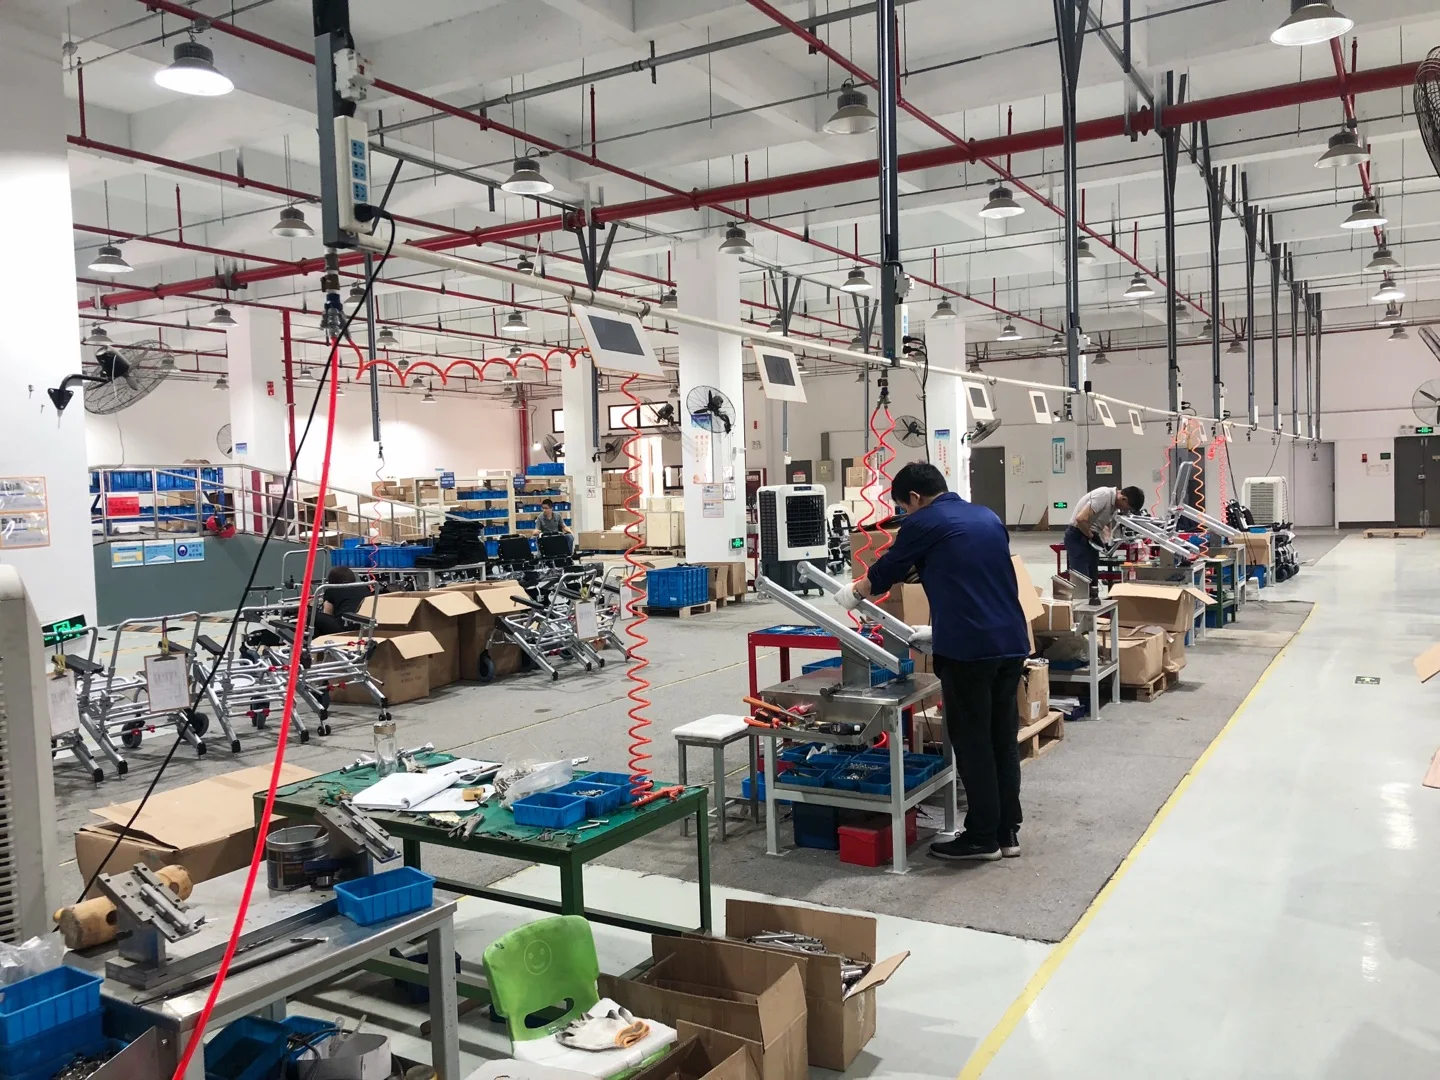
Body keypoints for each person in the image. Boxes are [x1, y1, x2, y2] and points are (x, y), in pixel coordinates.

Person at [836, 462, 1031, 862]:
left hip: (969, 651)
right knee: (1000, 737)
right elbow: (972, 576)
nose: (905, 514)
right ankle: (1007, 831)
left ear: (914, 498)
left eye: (903, 507)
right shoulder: (987, 516)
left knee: (973, 741)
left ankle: (981, 838)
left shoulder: (923, 522)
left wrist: (855, 592)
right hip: (1011, 642)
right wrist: (940, 630)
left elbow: (888, 569)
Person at [1065, 484, 1146, 583]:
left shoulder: (1114, 505)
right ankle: (1081, 593)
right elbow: (1081, 519)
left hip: (1088, 536)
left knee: (1093, 579)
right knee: (1082, 579)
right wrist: (1092, 536)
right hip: (1078, 536)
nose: (1126, 511)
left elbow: (1104, 524)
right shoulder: (1103, 495)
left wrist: (1107, 540)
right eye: (1127, 508)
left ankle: (1093, 593)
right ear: (1123, 498)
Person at [312, 566, 373, 636]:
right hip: (365, 626)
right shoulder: (364, 588)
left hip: (344, 626)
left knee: (313, 616)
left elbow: (328, 613)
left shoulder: (332, 590)